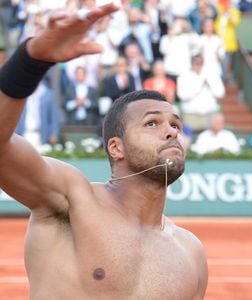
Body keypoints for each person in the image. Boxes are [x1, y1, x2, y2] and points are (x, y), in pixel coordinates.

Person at [0, 3, 208, 299]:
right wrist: (30, 60)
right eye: (152, 123)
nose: (171, 131)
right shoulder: (72, 201)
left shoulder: (191, 252)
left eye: (176, 124)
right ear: (116, 147)